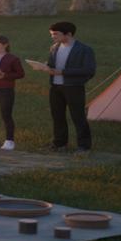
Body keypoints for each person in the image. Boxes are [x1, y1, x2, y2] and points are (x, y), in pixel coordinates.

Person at [32, 21, 96, 151]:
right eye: (51, 34)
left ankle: (84, 146)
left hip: (74, 87)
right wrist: (45, 67)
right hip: (55, 87)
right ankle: (59, 143)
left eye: (55, 34)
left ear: (68, 34)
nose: (53, 36)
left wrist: (63, 72)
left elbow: (89, 70)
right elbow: (52, 65)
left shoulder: (84, 50)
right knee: (57, 115)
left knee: (78, 116)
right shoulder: (54, 47)